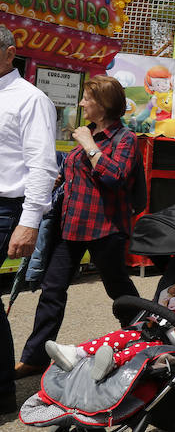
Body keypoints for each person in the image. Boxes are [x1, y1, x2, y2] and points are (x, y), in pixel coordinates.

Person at [18, 75, 141, 380]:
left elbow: (116, 178)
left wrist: (88, 145)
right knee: (52, 291)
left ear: (104, 103)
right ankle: (33, 358)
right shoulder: (85, 135)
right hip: (70, 226)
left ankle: (146, 340)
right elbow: (72, 175)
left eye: (88, 98)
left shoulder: (125, 139)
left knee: (119, 290)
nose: (82, 103)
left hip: (106, 228)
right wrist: (56, 179)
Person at [44, 259, 175, 382]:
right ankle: (76, 352)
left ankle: (112, 362)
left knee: (139, 349)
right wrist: (168, 293)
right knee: (119, 336)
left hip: (168, 347)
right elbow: (159, 303)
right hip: (149, 330)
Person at [0, 25, 57, 412]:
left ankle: (2, 392)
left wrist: (30, 219)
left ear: (9, 53)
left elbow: (42, 166)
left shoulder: (30, 99)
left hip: (6, 208)